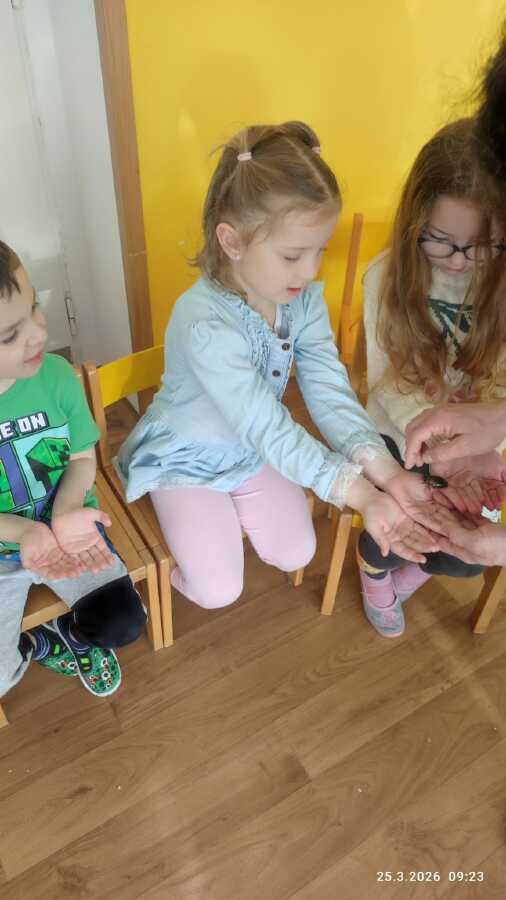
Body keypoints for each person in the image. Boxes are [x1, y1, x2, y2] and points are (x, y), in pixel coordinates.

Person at [117, 121, 442, 619]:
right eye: (293, 255)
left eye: (319, 251)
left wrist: (388, 474)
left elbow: (329, 391)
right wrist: (359, 492)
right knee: (218, 589)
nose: (310, 271)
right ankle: (166, 571)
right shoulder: (203, 321)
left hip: (251, 449)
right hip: (187, 459)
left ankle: (215, 525)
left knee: (297, 552)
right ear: (232, 241)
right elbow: (265, 424)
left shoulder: (302, 300)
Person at [357, 117, 506, 637]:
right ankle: (374, 568)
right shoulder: (384, 277)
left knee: (465, 549)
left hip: (479, 441)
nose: (461, 262)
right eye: (441, 241)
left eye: (482, 245)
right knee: (402, 521)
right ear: (414, 223)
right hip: (399, 430)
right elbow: (387, 385)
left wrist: (482, 444)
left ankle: (412, 568)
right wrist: (443, 446)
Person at [0, 241, 147, 701]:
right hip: (4, 550)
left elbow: (82, 458)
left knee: (123, 621)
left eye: (34, 307)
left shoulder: (56, 375)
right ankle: (35, 644)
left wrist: (63, 510)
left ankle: (70, 636)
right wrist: (24, 532)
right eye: (10, 335)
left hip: (69, 532)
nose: (38, 333)